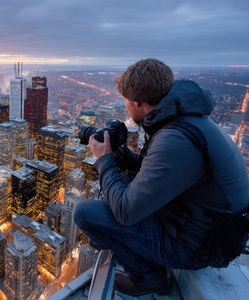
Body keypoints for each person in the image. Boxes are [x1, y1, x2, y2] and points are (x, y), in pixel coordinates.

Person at [73, 58, 249, 296]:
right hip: (199, 223)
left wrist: (104, 160)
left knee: (85, 214)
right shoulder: (181, 120)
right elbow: (156, 171)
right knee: (122, 183)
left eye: (125, 101)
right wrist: (121, 155)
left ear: (137, 103)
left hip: (199, 245)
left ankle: (149, 277)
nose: (125, 106)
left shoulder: (174, 140)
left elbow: (125, 211)